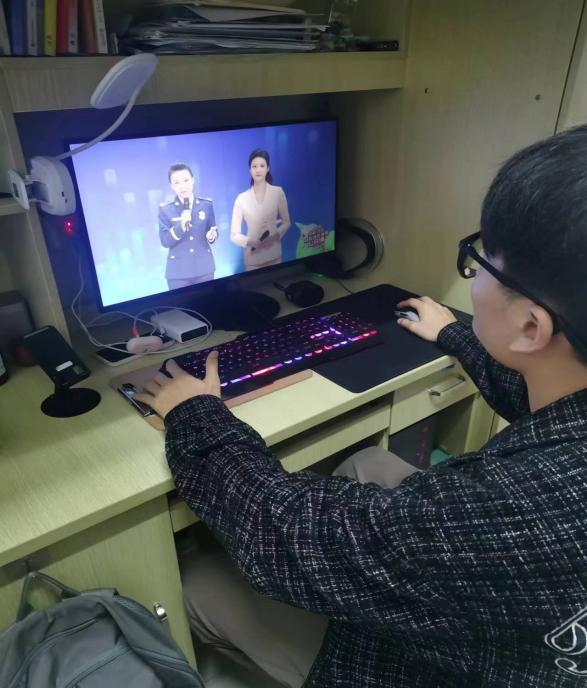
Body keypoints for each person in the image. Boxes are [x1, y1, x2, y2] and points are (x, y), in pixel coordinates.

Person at [136, 125, 587, 687]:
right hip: (521, 630)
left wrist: (194, 412)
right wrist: (457, 335)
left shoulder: (514, 510)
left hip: (429, 669)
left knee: (197, 582)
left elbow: (286, 536)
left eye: (483, 262)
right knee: (365, 464)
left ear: (532, 326)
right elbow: (546, 398)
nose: (473, 278)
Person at [159, 163, 218, 290]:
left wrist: (212, 236)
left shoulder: (206, 205)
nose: (182, 186)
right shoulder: (165, 210)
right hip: (178, 273)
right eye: (177, 182)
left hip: (204, 269)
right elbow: (164, 241)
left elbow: (212, 229)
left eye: (185, 180)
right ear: (171, 186)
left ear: (193, 180)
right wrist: (181, 226)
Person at [230, 149, 291, 271]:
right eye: (254, 166)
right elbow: (234, 235)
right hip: (253, 259)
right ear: (250, 170)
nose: (258, 170)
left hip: (274, 256)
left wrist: (275, 236)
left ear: (268, 168)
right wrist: (249, 241)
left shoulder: (278, 192)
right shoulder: (241, 198)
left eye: (262, 166)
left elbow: (286, 222)